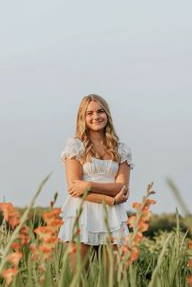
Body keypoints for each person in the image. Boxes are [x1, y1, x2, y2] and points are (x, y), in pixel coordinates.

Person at [58, 94, 134, 271]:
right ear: (82, 118)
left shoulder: (121, 149)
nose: (96, 116)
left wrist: (89, 185)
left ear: (107, 114)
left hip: (113, 217)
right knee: (76, 278)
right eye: (89, 113)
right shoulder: (75, 146)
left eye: (100, 111)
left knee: (114, 279)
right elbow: (74, 188)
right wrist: (111, 200)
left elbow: (122, 187)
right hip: (81, 214)